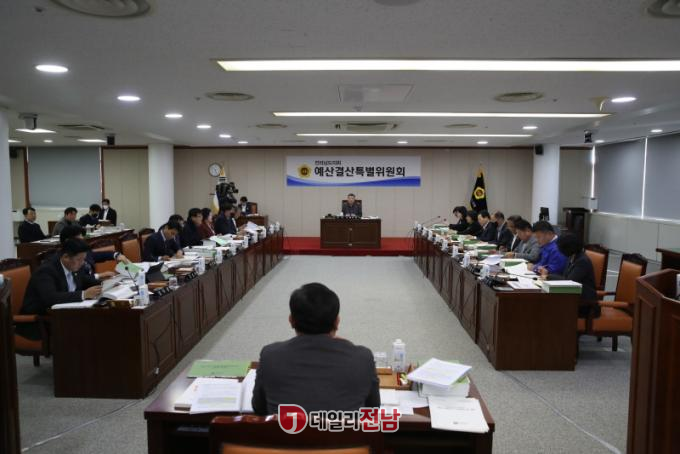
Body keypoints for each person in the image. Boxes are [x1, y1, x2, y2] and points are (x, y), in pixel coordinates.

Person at [252, 283, 380, 415]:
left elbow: (259, 408)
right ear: (337, 322)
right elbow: (373, 409)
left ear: (291, 321)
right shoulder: (362, 358)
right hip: (343, 429)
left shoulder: (270, 356)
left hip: (286, 429)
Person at [16, 239, 102, 340]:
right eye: (79, 259)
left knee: (96, 322)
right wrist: (83, 294)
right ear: (66, 257)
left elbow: (84, 280)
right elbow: (51, 298)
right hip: (40, 322)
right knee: (89, 328)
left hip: (64, 316)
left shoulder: (74, 266)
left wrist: (105, 284)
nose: (82, 263)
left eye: (84, 259)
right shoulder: (46, 271)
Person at [540, 233, 600, 319]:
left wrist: (548, 276)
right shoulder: (571, 257)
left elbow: (569, 281)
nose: (559, 250)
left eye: (560, 248)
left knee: (549, 307)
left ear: (568, 248)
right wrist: (548, 274)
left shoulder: (582, 261)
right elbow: (565, 276)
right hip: (572, 297)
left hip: (584, 303)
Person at [59, 225, 129, 279]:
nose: (82, 238)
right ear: (68, 241)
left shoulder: (83, 251)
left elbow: (98, 255)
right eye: (79, 236)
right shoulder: (66, 260)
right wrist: (99, 276)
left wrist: (116, 255)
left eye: (82, 236)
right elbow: (80, 279)